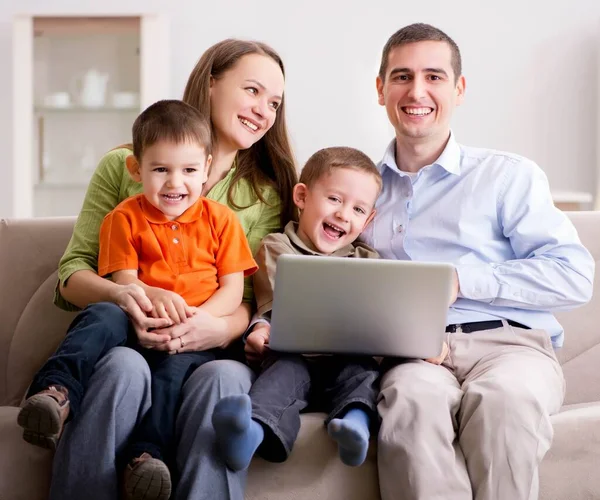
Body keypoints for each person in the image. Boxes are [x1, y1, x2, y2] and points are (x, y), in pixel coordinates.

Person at [34, 40, 297, 500]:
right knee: (123, 365)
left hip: (213, 345)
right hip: (125, 331)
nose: (263, 111)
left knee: (225, 380)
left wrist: (209, 329)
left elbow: (254, 299)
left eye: (274, 102)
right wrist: (126, 299)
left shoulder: (265, 194)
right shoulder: (123, 167)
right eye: (253, 91)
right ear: (211, 84)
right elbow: (73, 273)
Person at [370, 23, 595, 500]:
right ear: (381, 88)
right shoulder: (357, 190)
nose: (417, 91)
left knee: (503, 402)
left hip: (510, 347)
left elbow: (574, 275)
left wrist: (458, 279)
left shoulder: (506, 176)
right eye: (402, 76)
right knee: (410, 404)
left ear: (459, 89)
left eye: (434, 76)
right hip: (416, 355)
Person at [212, 147, 382, 472]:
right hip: (295, 359)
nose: (344, 215)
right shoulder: (277, 247)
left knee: (361, 371)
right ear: (302, 196)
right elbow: (278, 307)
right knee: (282, 373)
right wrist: (260, 330)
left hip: (344, 360)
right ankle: (248, 433)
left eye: (358, 209)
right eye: (334, 199)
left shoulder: (369, 262)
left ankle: (356, 425)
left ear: (368, 220)